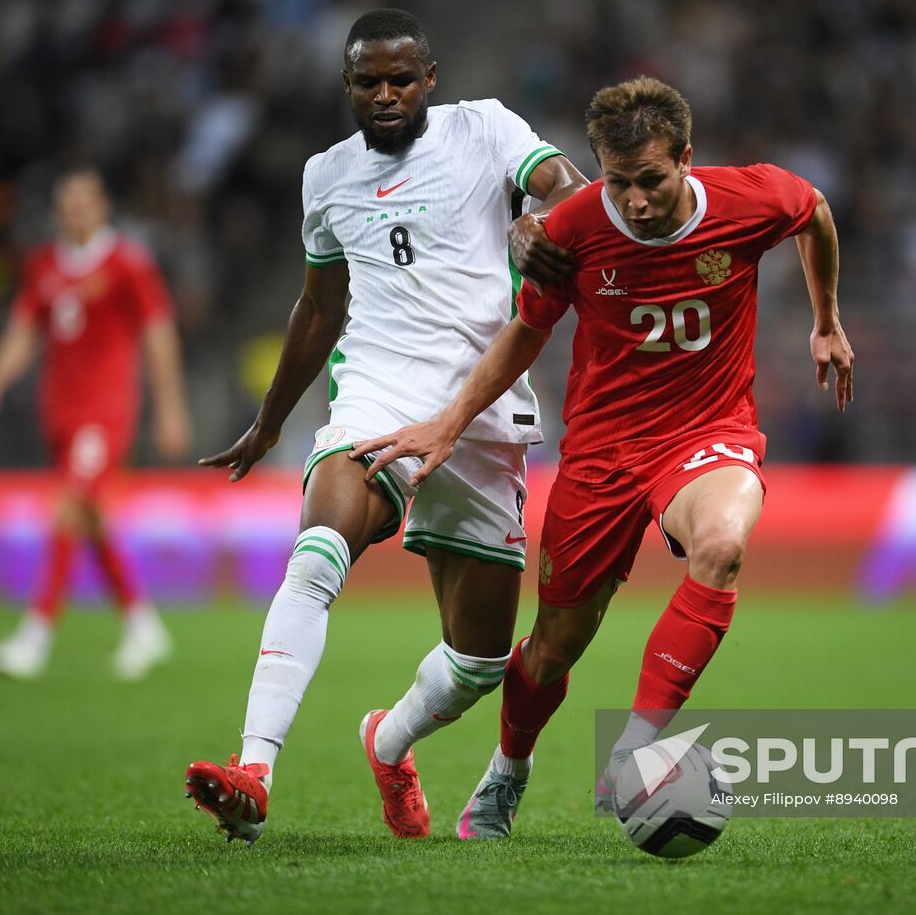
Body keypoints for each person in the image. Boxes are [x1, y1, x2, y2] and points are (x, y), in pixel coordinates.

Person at [352, 76, 853, 839]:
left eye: (652, 179)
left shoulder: (749, 200)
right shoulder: (574, 229)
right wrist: (450, 421)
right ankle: (507, 770)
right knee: (552, 649)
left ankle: (636, 748)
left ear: (686, 158)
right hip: (603, 452)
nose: (638, 200)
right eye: (619, 182)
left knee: (720, 544)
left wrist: (826, 320)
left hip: (707, 428)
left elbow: (813, 210)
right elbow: (525, 333)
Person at [181, 8, 587, 844]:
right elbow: (319, 308)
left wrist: (538, 223)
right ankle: (254, 770)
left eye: (402, 79)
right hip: (376, 400)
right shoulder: (325, 176)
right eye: (369, 82)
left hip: (479, 408)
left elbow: (569, 189)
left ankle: (388, 740)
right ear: (347, 86)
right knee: (319, 549)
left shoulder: (485, 129)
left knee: (477, 662)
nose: (387, 94)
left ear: (430, 78)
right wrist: (269, 422)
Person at [0, 166, 191, 681]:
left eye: (84, 201)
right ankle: (142, 624)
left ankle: (36, 635)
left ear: (102, 206)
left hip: (105, 412)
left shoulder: (127, 263)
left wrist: (171, 407)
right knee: (89, 515)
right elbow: (23, 331)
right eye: (67, 202)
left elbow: (158, 335)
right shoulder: (44, 266)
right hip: (59, 413)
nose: (75, 210)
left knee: (68, 505)